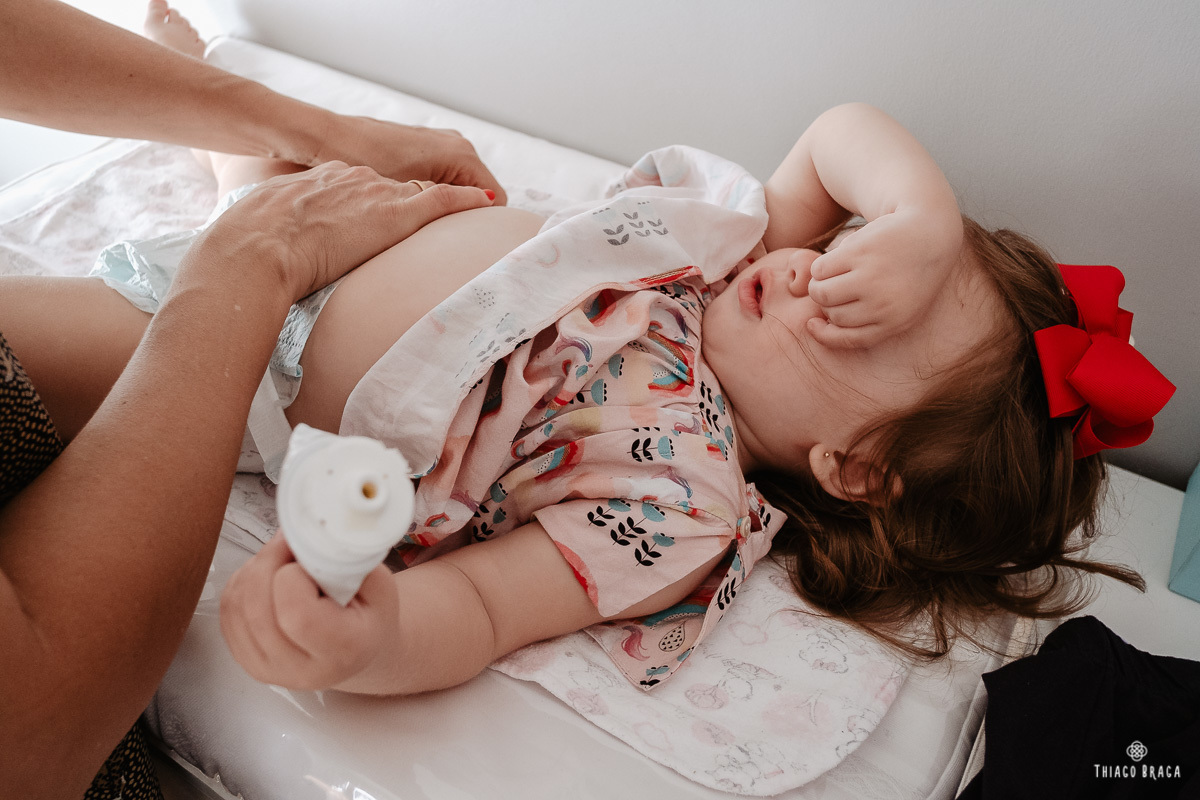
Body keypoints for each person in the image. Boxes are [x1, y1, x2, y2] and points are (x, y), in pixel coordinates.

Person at [7, 4, 1175, 743]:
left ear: (857, 465)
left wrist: (366, 640)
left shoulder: (681, 506)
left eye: (864, 317)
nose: (817, 274)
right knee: (259, 198)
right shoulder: (737, 246)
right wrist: (922, 217)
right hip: (344, 224)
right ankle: (226, 136)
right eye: (852, 252)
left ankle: (233, 179)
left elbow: (481, 604)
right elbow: (839, 132)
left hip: (242, 353)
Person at [0, 1, 503, 797]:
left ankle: (211, 91)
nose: (783, 272)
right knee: (244, 186)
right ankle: (212, 97)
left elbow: (489, 604)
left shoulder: (692, 483)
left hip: (273, 335)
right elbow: (25, 739)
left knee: (249, 176)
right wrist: (245, 262)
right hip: (232, 312)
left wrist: (383, 641)